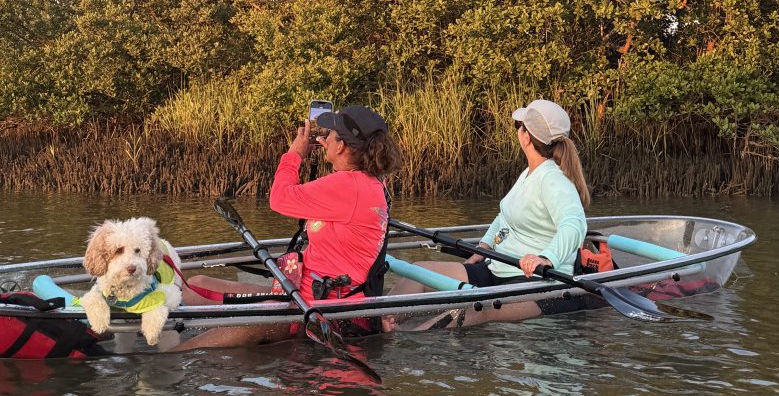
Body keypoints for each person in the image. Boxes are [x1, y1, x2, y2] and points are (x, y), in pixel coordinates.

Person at [178, 105, 402, 348]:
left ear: (341, 146)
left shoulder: (348, 186)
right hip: (299, 294)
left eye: (330, 135)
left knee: (186, 343)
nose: (324, 139)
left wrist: (294, 154)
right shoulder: (364, 182)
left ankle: (166, 358)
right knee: (198, 283)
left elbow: (279, 198)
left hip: (318, 310)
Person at [389, 99, 589, 327]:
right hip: (498, 271)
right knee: (420, 272)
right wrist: (483, 248)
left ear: (526, 136)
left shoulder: (553, 179)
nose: (518, 131)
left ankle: (395, 353)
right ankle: (375, 323)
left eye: (519, 126)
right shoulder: (529, 173)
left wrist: (545, 258)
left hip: (540, 285)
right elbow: (503, 217)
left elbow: (575, 225)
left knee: (471, 312)